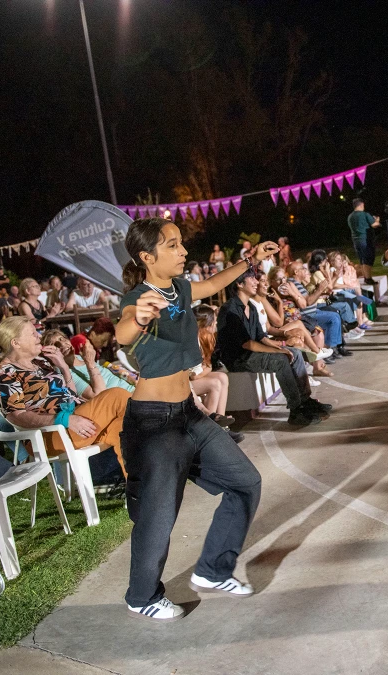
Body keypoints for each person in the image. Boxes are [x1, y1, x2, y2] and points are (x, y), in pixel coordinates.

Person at [115, 218, 271, 621]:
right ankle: (141, 596)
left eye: (181, 243)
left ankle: (213, 570)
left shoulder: (180, 288)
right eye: (172, 245)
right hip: (152, 425)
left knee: (244, 483)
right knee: (158, 516)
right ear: (147, 257)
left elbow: (213, 285)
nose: (183, 251)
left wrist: (248, 262)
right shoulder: (138, 297)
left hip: (188, 414)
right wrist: (141, 317)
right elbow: (123, 332)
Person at [0, 316, 128, 475]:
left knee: (126, 430)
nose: (39, 337)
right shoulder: (5, 374)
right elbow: (17, 416)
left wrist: (63, 366)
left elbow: (71, 395)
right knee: (117, 396)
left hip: (76, 422)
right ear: (16, 343)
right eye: (33, 334)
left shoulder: (40, 363)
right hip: (49, 435)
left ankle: (139, 493)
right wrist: (63, 419)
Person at [216, 267, 331, 427]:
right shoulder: (231, 310)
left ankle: (306, 400)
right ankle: (295, 409)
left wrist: (282, 345)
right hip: (239, 358)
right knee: (281, 360)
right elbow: (247, 343)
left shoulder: (251, 307)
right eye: (252, 279)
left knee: (295, 353)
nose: (256, 282)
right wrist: (279, 350)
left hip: (251, 352)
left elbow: (261, 337)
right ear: (240, 284)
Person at [188, 305, 237, 428]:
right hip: (185, 383)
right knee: (214, 383)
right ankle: (209, 427)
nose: (216, 324)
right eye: (214, 321)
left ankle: (222, 422)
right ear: (206, 324)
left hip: (195, 378)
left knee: (222, 377)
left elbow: (207, 366)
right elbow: (193, 376)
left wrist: (204, 371)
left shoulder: (205, 338)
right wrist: (204, 371)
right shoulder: (191, 341)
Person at [347, 197, 381, 283]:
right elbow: (374, 225)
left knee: (362, 259)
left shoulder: (350, 216)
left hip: (355, 240)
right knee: (368, 258)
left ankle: (366, 277)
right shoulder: (365, 214)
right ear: (362, 205)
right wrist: (377, 220)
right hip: (365, 240)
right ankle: (368, 278)